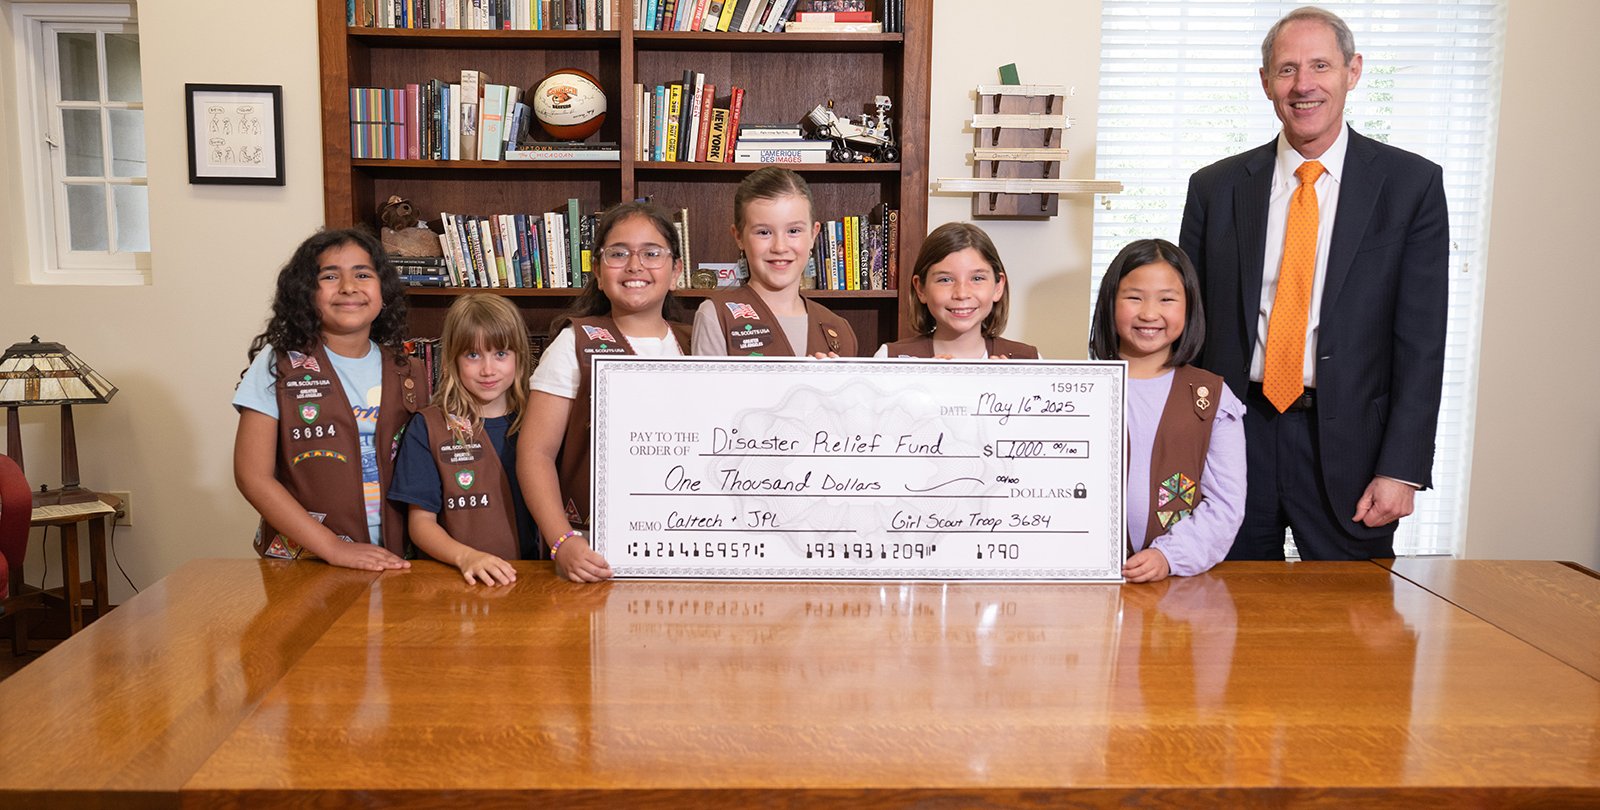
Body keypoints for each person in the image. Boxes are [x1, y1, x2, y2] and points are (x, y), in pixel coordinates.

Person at [1179, 5, 1448, 560]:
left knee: (1354, 630)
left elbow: (1421, 344)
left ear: (1352, 72)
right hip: (1234, 439)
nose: (1304, 85)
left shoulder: (1411, 186)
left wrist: (1402, 468)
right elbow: (1190, 333)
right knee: (1224, 625)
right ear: (1264, 83)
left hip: (1352, 448)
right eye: (1286, 70)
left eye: (1320, 66)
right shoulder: (1214, 188)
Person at [518, 201, 692, 583]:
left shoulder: (699, 343)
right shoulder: (573, 343)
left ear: (676, 270)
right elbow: (535, 454)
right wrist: (562, 540)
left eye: (652, 253)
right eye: (618, 253)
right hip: (593, 552)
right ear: (597, 271)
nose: (635, 265)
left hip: (687, 542)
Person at [233, 228, 423, 570]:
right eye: (330, 276)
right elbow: (253, 476)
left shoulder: (409, 371)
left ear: (383, 292)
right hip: (305, 560)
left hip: (397, 556)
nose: (349, 287)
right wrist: (333, 548)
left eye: (362, 275)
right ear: (306, 293)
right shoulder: (279, 365)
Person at [1089, 239, 1246, 583]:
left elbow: (1225, 504)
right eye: (1134, 297)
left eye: (1167, 299)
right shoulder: (1077, 389)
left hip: (1177, 588)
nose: (1149, 313)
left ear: (1189, 307)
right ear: (1109, 303)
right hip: (1086, 578)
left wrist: (1169, 556)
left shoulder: (1212, 397)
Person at [388, 294, 539, 585]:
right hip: (460, 582)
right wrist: (465, 557)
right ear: (452, 359)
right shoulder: (428, 427)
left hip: (535, 579)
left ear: (520, 356)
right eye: (472, 355)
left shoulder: (538, 421)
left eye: (501, 354)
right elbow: (421, 525)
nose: (488, 370)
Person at [691, 167, 858, 358]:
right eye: (764, 232)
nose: (780, 247)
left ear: (813, 234)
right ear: (738, 237)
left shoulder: (838, 328)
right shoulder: (716, 316)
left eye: (793, 231)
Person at [877, 222, 1038, 359]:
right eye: (945, 280)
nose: (961, 294)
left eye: (977, 278)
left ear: (998, 286)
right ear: (921, 288)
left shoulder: (1030, 361)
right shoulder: (890, 359)